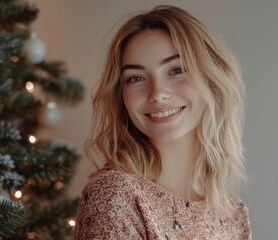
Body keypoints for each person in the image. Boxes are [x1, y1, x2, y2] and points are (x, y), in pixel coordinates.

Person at [74, 5, 251, 240]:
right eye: (136, 78)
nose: (157, 93)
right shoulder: (116, 195)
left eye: (176, 70)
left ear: (211, 79)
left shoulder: (233, 213)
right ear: (121, 95)